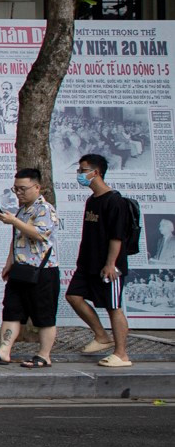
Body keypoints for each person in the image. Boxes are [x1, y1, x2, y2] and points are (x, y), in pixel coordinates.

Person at [64, 153, 134, 368]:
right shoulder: (92, 200)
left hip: (108, 266)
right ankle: (101, 336)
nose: (79, 175)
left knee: (114, 307)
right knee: (74, 296)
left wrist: (111, 264)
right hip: (87, 264)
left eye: (83, 171)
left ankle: (121, 354)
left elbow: (117, 237)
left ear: (96, 173)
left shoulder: (115, 201)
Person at [0, 167, 60, 367]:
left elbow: (39, 234)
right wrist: (9, 262)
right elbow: (17, 238)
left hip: (42, 271)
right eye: (15, 189)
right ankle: (4, 350)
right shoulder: (22, 210)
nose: (18, 193)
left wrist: (14, 220)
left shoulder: (45, 209)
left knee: (44, 315)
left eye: (23, 189)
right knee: (11, 310)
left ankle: (44, 355)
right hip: (20, 269)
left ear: (37, 187)